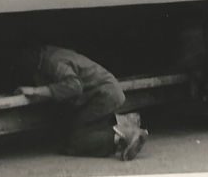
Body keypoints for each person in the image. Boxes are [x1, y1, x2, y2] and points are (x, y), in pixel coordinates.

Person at [14, 45, 148, 160]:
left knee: (76, 141)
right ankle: (122, 122)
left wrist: (37, 91)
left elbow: (74, 86)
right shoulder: (52, 54)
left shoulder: (52, 61)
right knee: (75, 132)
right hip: (104, 93)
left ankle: (123, 135)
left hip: (103, 96)